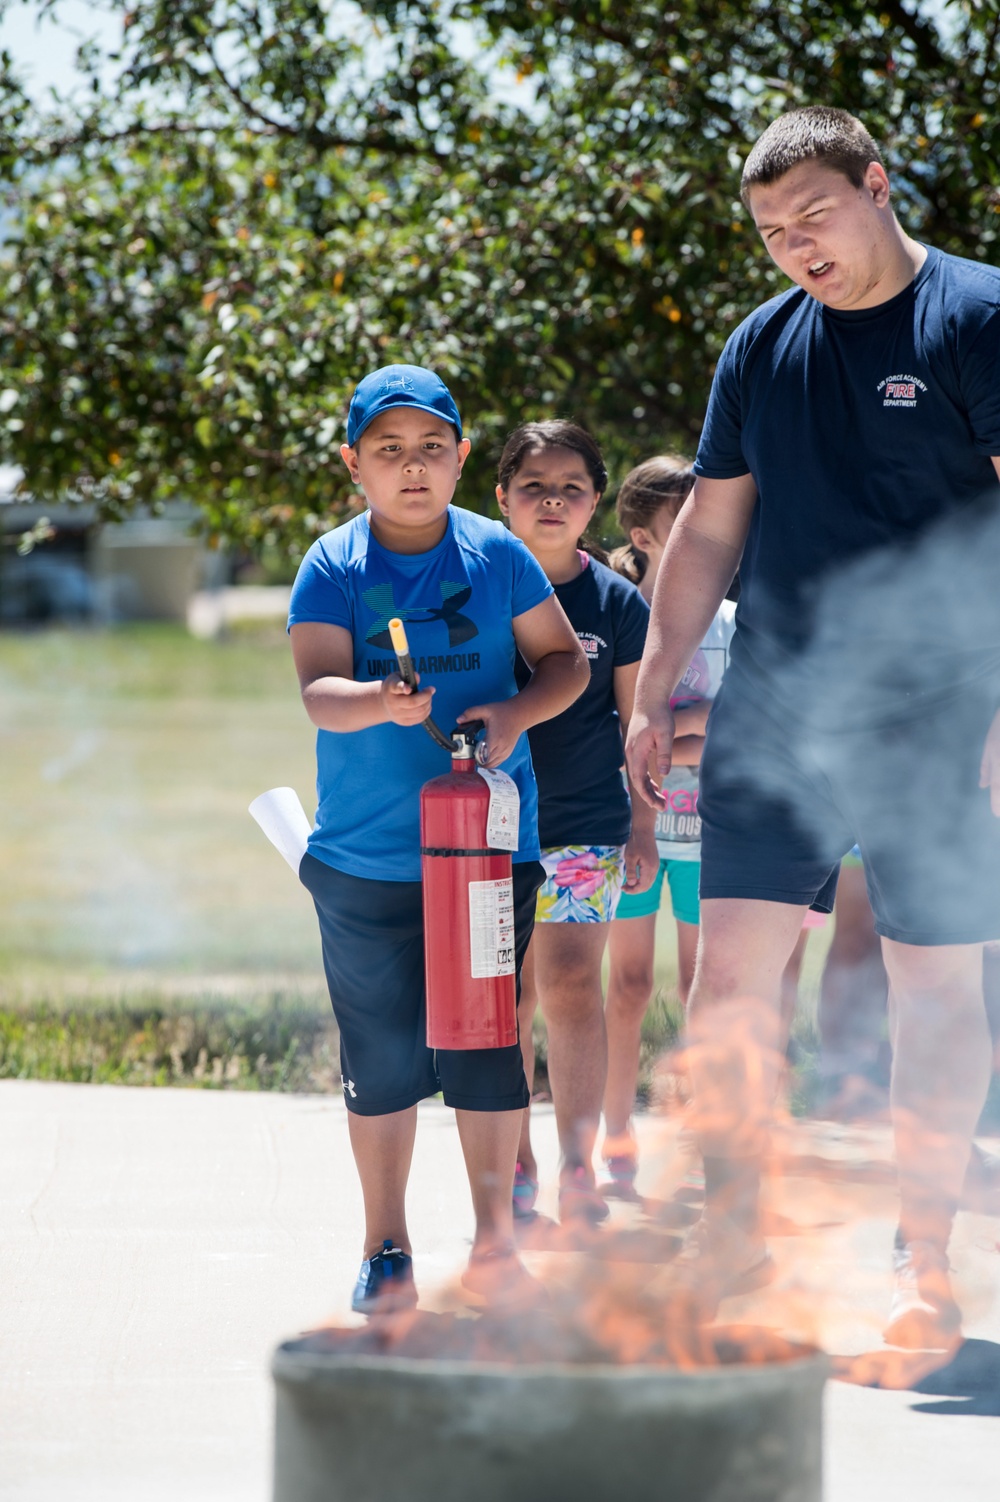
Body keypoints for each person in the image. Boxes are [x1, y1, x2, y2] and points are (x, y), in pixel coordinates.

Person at [626, 107, 1000, 1349]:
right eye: (772, 232)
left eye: (814, 216)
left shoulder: (976, 318)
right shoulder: (758, 344)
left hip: (938, 710)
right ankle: (735, 1233)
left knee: (929, 983)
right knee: (728, 977)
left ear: (876, 183)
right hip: (780, 703)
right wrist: (654, 675)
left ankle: (922, 1258)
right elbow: (711, 529)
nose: (795, 247)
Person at [287, 365, 588, 1312]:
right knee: (379, 1058)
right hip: (367, 859)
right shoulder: (333, 566)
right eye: (388, 451)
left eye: (430, 448)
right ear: (354, 465)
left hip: (489, 854)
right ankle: (387, 1247)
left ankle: (497, 1246)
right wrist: (379, 699)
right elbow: (318, 696)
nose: (411, 468)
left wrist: (510, 714)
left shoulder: (496, 554)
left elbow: (565, 663)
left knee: (485, 1049)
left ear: (461, 457)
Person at [494, 420, 658, 1224]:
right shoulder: (476, 586)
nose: (551, 501)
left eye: (570, 488)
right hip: (487, 832)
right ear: (500, 498)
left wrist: (643, 827)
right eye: (533, 486)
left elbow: (635, 727)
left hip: (584, 826)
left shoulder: (617, 604)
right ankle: (514, 1158)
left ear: (595, 501)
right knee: (507, 1000)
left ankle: (575, 1166)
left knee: (567, 984)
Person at [602, 457, 736, 1197]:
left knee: (696, 986)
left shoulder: (730, 622)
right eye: (681, 519)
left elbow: (731, 722)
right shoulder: (621, 618)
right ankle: (615, 1133)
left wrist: (662, 729)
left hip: (704, 836)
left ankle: (691, 1141)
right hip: (630, 834)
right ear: (643, 534)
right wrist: (675, 733)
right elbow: (613, 728)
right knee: (624, 985)